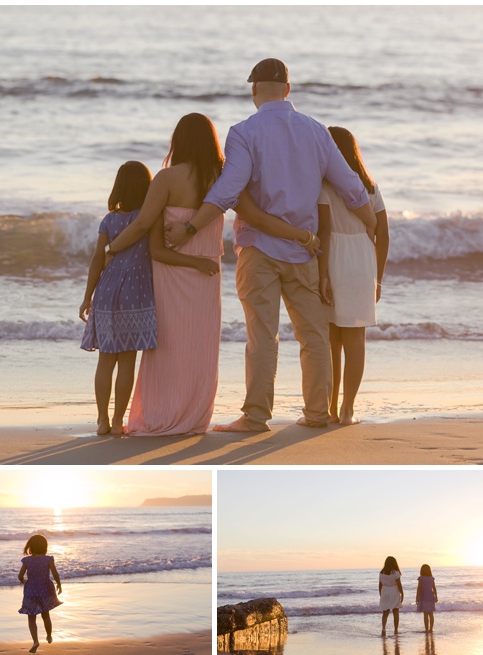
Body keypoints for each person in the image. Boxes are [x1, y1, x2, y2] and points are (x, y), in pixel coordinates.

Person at [165, 58, 378, 433]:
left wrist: (192, 226)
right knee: (313, 336)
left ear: (254, 90)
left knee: (262, 336)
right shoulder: (315, 131)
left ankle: (256, 417)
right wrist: (371, 225)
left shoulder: (244, 132)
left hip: (260, 249)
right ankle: (316, 414)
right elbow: (350, 185)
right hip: (305, 250)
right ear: (288, 90)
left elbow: (229, 189)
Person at [101, 113, 317, 435]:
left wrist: (111, 249)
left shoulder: (166, 179)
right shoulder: (221, 180)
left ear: (179, 141)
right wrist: (299, 235)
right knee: (199, 345)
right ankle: (194, 416)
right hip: (206, 274)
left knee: (168, 345)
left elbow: (143, 224)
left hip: (170, 274)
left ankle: (162, 413)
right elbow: (255, 216)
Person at [318, 126, 390, 424]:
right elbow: (383, 235)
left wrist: (322, 275)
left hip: (334, 258)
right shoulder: (370, 187)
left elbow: (322, 233)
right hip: (362, 262)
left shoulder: (322, 186)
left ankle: (332, 408)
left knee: (332, 338)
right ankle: (349, 409)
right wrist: (379, 277)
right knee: (356, 338)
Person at [79, 161, 157, 435]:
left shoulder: (109, 220)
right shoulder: (148, 219)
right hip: (136, 295)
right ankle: (116, 421)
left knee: (105, 360)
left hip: (107, 291)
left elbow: (97, 259)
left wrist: (87, 297)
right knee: (127, 360)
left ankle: (101, 419)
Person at [18, 534, 62, 653]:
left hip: (31, 590)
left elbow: (20, 576)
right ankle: (48, 636)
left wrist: (25, 582)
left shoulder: (27, 560)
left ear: (30, 547)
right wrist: (59, 584)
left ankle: (35, 641)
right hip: (44, 589)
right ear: (44, 547)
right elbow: (55, 573)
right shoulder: (48, 559)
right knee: (45, 614)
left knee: (31, 617)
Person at [379, 556, 403, 636]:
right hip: (394, 591)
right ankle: (396, 630)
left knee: (385, 612)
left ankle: (383, 628)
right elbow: (399, 584)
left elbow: (380, 585)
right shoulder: (395, 572)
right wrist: (402, 593)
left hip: (385, 591)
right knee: (395, 611)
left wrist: (381, 594)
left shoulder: (381, 573)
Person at [416, 563, 439, 632]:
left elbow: (419, 588)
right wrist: (436, 596)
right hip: (431, 597)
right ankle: (431, 628)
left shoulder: (421, 578)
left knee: (425, 614)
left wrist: (417, 597)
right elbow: (434, 588)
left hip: (424, 597)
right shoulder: (432, 578)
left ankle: (426, 629)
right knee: (431, 613)